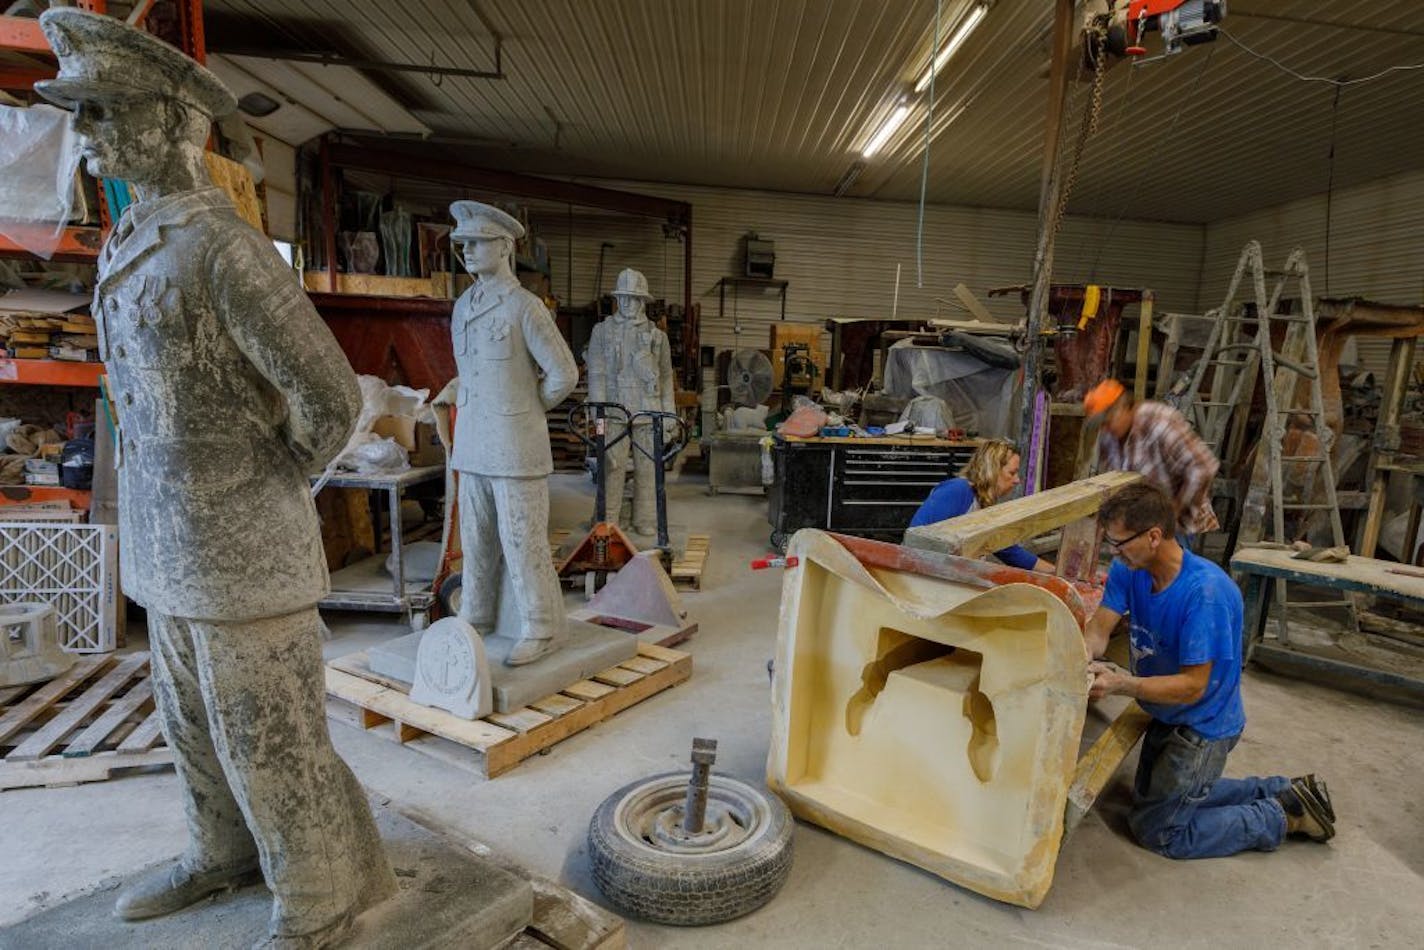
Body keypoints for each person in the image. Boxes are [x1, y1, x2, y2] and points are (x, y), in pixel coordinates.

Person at [35, 9, 394, 947]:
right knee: (191, 727)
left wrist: (273, 485)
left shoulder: (224, 248)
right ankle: (219, 851)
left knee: (269, 740)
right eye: (85, 112)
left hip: (243, 554)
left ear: (172, 121)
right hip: (168, 547)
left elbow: (328, 395)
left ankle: (316, 899)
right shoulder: (131, 240)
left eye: (107, 110)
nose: (89, 131)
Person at [1082, 480, 1335, 858]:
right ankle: (1283, 789)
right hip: (1165, 711)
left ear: (1153, 536)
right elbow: (1100, 628)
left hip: (1201, 726)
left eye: (1119, 543)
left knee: (1158, 831)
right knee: (1149, 800)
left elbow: (1191, 687)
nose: (1113, 553)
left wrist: (1121, 684)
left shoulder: (1205, 594)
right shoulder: (1129, 569)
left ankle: (1280, 814)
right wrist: (1080, 660)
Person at [446, 200, 579, 666]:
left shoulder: (525, 307)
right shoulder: (463, 306)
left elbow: (563, 373)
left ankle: (542, 627)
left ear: (503, 247)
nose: (466, 251)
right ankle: (478, 615)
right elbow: (475, 370)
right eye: (462, 243)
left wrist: (525, 409)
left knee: (523, 539)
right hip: (474, 443)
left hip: (516, 444)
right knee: (477, 537)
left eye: (476, 242)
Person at [585, 267, 677, 536]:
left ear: (643, 301)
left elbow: (666, 377)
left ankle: (646, 518)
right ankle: (608, 518)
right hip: (613, 410)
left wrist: (669, 414)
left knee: (648, 468)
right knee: (611, 466)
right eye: (623, 297)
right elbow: (597, 373)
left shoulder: (657, 338)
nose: (627, 303)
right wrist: (597, 413)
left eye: (634, 298)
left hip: (648, 411)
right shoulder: (601, 332)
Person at [1085, 378, 1220, 540]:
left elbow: (1202, 467)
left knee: (1168, 563)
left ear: (1124, 407)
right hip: (1139, 524)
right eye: (1102, 425)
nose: (1105, 430)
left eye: (1108, 422)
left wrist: (1171, 514)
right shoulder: (1108, 436)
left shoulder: (1159, 421)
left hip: (1177, 524)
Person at [907, 438, 1054, 572]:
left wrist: (1057, 574)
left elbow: (1008, 550)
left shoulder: (984, 504)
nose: (1017, 480)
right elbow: (915, 539)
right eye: (1012, 473)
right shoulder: (958, 490)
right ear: (993, 470)